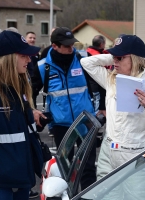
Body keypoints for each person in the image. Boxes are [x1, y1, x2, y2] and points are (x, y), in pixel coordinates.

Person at [80, 35, 145, 184]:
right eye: (114, 57)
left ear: (135, 59)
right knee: (105, 195)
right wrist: (114, 57)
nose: (115, 61)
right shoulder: (111, 79)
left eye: (120, 57)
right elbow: (86, 62)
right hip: (107, 151)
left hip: (134, 154)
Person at [0, 30, 43, 200]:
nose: (29, 59)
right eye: (24, 55)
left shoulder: (18, 86)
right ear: (9, 58)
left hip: (20, 178)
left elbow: (17, 129)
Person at [32, 27, 96, 191]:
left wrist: (102, 107)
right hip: (61, 126)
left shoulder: (83, 58)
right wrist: (33, 111)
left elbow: (100, 83)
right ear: (55, 46)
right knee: (65, 168)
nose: (71, 48)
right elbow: (30, 91)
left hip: (85, 122)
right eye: (66, 45)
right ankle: (67, 194)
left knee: (88, 166)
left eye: (72, 44)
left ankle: (88, 195)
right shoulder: (43, 67)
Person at [25, 31, 40, 111]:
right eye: (30, 38)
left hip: (34, 84)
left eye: (34, 38)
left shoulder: (36, 53)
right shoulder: (23, 53)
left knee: (33, 103)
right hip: (25, 82)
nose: (32, 40)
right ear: (25, 39)